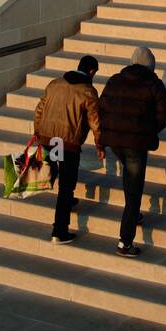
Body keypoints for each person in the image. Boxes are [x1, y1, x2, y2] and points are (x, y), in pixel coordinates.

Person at [98, 45, 166, 258]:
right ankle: (125, 242)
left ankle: (133, 214)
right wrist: (147, 131)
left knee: (130, 177)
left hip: (114, 141)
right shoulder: (153, 84)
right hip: (136, 143)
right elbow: (164, 114)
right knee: (134, 190)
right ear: (151, 66)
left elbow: (101, 108)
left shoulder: (114, 80)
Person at [33, 54, 102, 246]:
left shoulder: (54, 84)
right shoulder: (88, 91)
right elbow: (95, 122)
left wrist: (38, 132)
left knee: (56, 172)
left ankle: (67, 199)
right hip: (68, 144)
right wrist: (100, 144)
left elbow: (39, 111)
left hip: (48, 139)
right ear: (92, 72)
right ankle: (59, 231)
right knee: (66, 184)